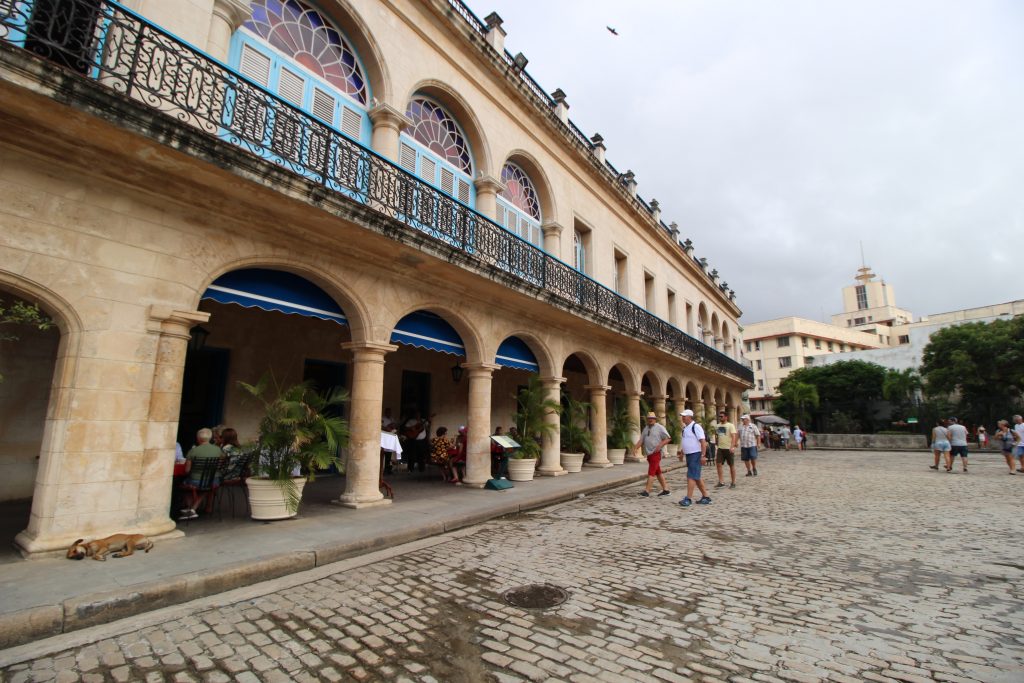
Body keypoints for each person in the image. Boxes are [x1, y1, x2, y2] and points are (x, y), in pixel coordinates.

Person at [180, 427, 223, 520]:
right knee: (206, 487)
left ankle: (190, 507)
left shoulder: (193, 451)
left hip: (196, 481)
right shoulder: (218, 450)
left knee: (182, 486)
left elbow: (187, 470)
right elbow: (220, 465)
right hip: (214, 480)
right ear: (210, 438)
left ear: (198, 438)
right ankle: (192, 509)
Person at [677, 409, 710, 507]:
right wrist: (682, 452)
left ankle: (688, 498)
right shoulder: (685, 428)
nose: (682, 418)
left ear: (690, 417)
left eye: (684, 416)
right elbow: (686, 441)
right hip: (689, 455)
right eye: (682, 416)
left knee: (691, 476)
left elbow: (703, 442)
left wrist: (703, 456)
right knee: (696, 476)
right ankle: (706, 496)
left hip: (696, 454)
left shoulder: (696, 427)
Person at [634, 411, 671, 497]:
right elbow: (641, 440)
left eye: (652, 418)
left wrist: (660, 445)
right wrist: (635, 447)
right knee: (658, 472)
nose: (650, 420)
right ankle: (666, 490)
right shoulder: (646, 428)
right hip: (649, 454)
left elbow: (668, 438)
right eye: (649, 418)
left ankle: (647, 491)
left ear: (655, 419)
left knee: (651, 472)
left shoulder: (660, 427)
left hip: (656, 453)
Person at [712, 410, 738, 489]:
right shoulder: (717, 426)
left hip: (728, 448)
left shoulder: (730, 425)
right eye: (719, 416)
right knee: (718, 464)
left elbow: (733, 436)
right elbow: (717, 436)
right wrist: (716, 445)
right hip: (720, 448)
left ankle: (733, 482)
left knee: (731, 465)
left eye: (722, 416)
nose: (720, 418)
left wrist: (732, 446)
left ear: (726, 417)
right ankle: (721, 481)